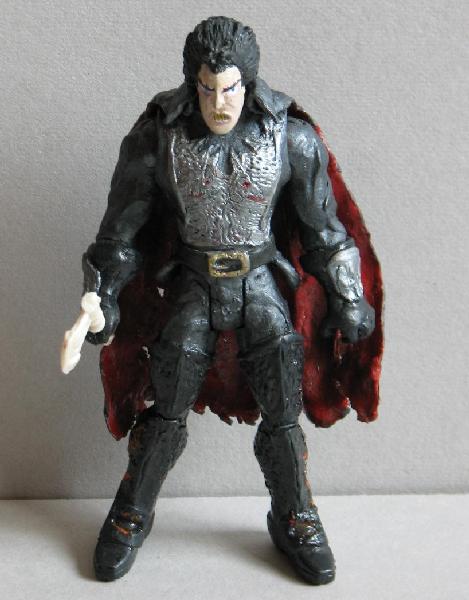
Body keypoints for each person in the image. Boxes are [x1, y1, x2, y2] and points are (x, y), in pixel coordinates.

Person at [76, 16, 381, 584]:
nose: (220, 103)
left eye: (231, 88)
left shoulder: (289, 137)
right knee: (167, 403)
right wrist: (104, 294)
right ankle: (132, 510)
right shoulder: (159, 138)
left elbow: (324, 230)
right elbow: (120, 230)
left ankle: (294, 515)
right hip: (193, 282)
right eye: (208, 89)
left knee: (283, 406)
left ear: (249, 82)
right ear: (193, 83)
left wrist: (347, 295)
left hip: (261, 281)